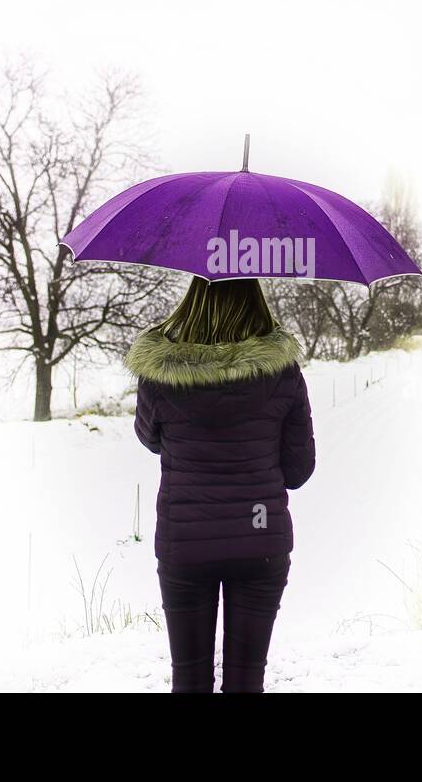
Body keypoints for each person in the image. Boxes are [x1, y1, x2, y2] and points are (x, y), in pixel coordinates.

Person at [125, 276, 316, 693]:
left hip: (186, 544)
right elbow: (299, 470)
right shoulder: (282, 373)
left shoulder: (161, 375)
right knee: (247, 680)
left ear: (192, 303)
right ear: (255, 302)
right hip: (259, 537)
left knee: (189, 679)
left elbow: (150, 439)